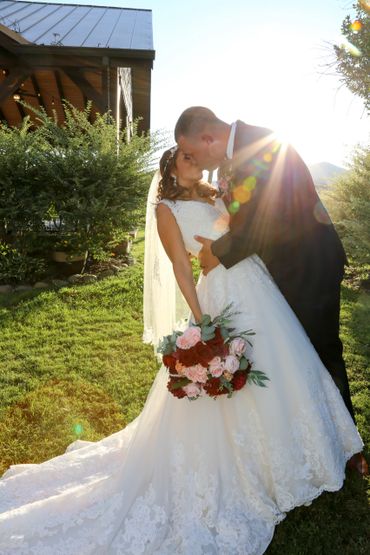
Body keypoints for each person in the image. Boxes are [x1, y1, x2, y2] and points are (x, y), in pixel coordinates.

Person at [0, 147, 364, 554]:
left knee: (283, 364)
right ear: (170, 167)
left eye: (196, 157)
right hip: (220, 297)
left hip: (259, 287)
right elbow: (180, 264)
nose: (195, 162)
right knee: (238, 378)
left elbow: (245, 231)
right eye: (186, 157)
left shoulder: (215, 195)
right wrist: (200, 320)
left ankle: (305, 455)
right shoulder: (165, 209)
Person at [175, 106, 368, 476]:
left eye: (195, 154)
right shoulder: (233, 156)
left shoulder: (263, 144)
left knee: (322, 350)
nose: (198, 161)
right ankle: (309, 439)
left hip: (308, 267)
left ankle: (349, 449)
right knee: (295, 353)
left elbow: (267, 222)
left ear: (208, 139)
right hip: (280, 269)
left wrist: (214, 253)